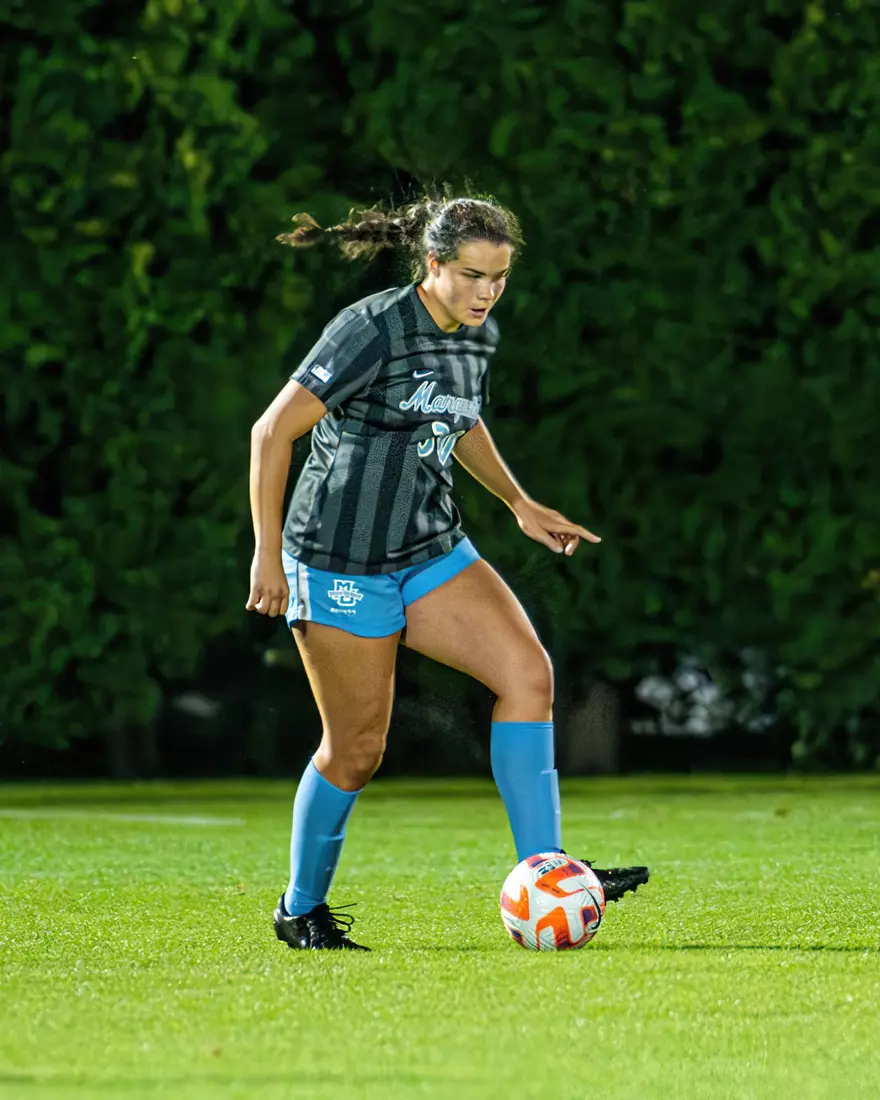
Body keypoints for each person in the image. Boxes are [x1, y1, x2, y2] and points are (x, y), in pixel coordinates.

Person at [247, 195, 649, 951]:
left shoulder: (474, 335)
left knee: (527, 675)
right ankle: (300, 908)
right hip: (340, 562)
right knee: (357, 748)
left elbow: (459, 419)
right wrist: (267, 553)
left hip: (431, 549)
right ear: (431, 265)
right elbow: (271, 432)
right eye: (471, 275)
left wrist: (519, 502)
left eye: (498, 278)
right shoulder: (371, 329)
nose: (486, 292)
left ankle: (548, 871)